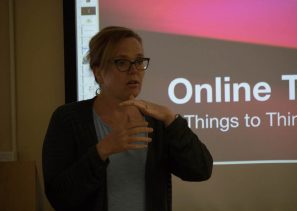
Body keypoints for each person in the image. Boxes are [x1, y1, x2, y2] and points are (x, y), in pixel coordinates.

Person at [42, 26, 213, 211]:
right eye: (122, 62)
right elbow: (58, 196)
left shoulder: (157, 122)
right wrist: (102, 150)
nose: (134, 70)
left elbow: (201, 170)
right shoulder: (68, 119)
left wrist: (172, 120)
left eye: (139, 61)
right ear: (99, 72)